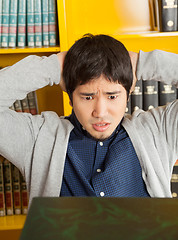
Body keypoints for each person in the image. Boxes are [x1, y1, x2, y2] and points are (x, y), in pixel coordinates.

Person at [0, 34, 177, 207]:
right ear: (70, 97)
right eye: (87, 97)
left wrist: (143, 63)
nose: (100, 112)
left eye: (112, 96)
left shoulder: (159, 131)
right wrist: (52, 67)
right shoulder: (37, 139)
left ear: (128, 94)